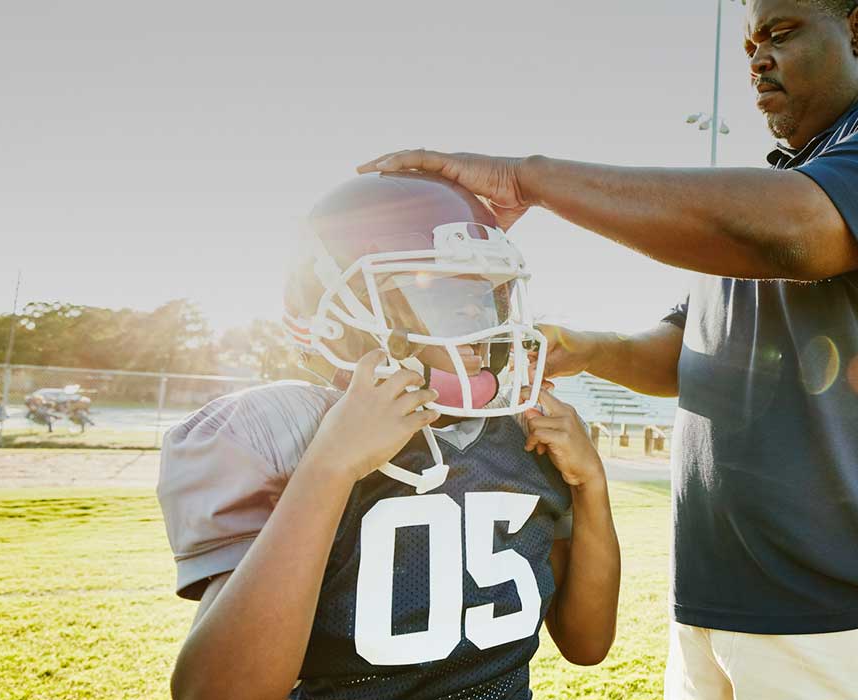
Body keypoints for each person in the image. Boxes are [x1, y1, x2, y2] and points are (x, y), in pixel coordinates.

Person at [358, 1, 858, 697]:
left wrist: (529, 178)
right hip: (719, 610)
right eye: (748, 45)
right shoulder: (771, 191)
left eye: (781, 32)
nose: (758, 56)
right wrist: (591, 346)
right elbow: (691, 353)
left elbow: (801, 234)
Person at [158, 172, 620, 700]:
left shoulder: (524, 433)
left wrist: (592, 488)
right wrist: (330, 468)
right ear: (345, 316)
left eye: (485, 294)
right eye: (444, 292)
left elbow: (588, 645)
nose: (476, 313)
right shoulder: (287, 430)